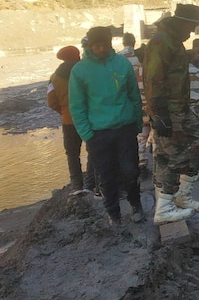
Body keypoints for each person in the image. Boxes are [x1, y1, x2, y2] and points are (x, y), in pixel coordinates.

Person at [68, 27, 144, 227]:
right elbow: (77, 106)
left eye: (104, 45)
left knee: (130, 170)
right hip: (98, 133)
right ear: (90, 46)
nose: (101, 49)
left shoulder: (122, 64)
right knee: (106, 175)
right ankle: (114, 214)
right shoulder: (80, 70)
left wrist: (137, 122)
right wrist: (87, 134)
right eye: (96, 45)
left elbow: (133, 95)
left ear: (110, 44)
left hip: (125, 127)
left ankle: (136, 205)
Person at [144, 4, 199, 224]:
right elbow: (154, 78)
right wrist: (160, 114)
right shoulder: (162, 42)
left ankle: (181, 196)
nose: (192, 31)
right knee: (173, 155)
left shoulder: (175, 42)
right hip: (168, 110)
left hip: (180, 108)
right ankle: (165, 207)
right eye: (192, 26)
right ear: (181, 21)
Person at [47, 45, 96, 195]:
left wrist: (63, 111)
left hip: (68, 120)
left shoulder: (54, 77)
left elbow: (51, 102)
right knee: (93, 150)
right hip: (89, 118)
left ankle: (77, 186)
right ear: (77, 56)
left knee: (72, 154)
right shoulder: (86, 72)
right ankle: (91, 183)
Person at [119, 33, 150, 175]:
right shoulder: (142, 60)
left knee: (135, 135)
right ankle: (145, 163)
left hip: (129, 103)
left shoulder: (118, 58)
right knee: (150, 134)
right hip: (149, 103)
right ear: (134, 42)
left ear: (123, 42)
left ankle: (137, 163)